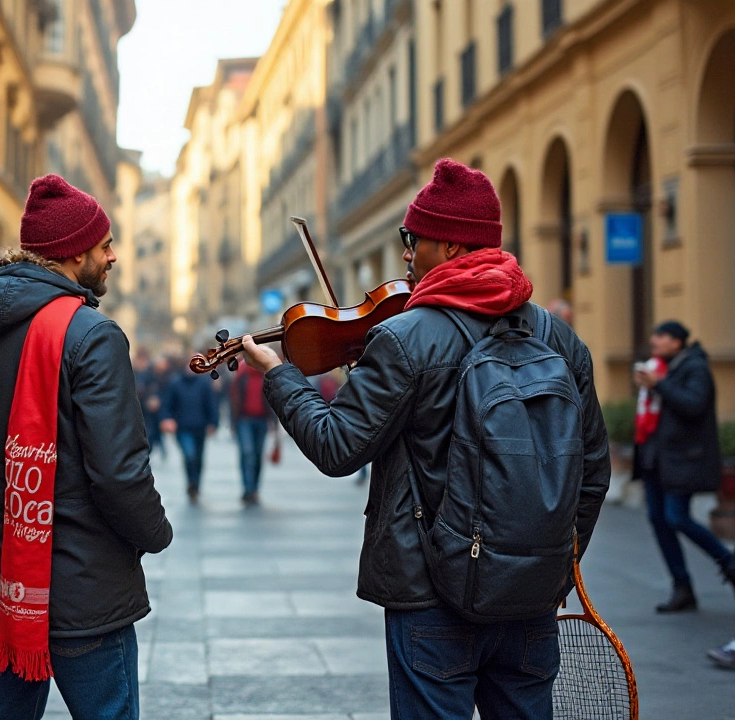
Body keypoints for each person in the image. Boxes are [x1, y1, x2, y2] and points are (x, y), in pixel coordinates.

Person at [240, 159, 610, 720]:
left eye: (413, 240)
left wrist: (279, 374)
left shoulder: (406, 337)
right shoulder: (559, 337)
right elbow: (594, 468)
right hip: (532, 598)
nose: (406, 254)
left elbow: (337, 448)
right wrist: (550, 565)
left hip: (430, 596)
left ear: (454, 249)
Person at [0, 174, 173, 717]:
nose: (113, 256)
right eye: (104, 245)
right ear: (74, 253)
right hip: (86, 591)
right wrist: (156, 534)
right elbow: (119, 472)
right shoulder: (91, 336)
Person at [632, 320, 735, 612]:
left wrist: (659, 385)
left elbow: (693, 405)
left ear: (677, 342)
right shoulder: (660, 366)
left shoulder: (695, 367)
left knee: (677, 518)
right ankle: (682, 588)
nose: (654, 340)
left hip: (681, 460)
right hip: (655, 459)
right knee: (660, 522)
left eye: (661, 335)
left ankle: (729, 560)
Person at [160, 362, 219, 503]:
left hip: (200, 427)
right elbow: (167, 404)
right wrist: (166, 419)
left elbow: (210, 404)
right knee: (189, 455)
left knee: (198, 458)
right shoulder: (175, 383)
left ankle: (195, 485)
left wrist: (213, 422)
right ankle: (191, 482)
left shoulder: (204, 384)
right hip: (183, 428)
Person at [229, 362, 274, 506]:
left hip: (262, 420)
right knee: (247, 453)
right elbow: (234, 399)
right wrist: (233, 421)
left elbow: (274, 399)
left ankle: (254, 488)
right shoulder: (242, 375)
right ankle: (248, 489)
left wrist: (274, 420)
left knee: (257, 455)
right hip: (244, 420)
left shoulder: (267, 376)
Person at [133, 348, 166, 459]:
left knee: (150, 433)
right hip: (136, 408)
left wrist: (153, 398)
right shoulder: (132, 372)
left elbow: (156, 388)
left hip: (148, 409)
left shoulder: (150, 373)